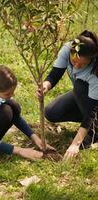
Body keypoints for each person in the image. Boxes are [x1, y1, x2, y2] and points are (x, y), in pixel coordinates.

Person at [38, 30, 98, 160]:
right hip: (82, 95)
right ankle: (90, 127)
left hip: (94, 105)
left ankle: (93, 130)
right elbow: (54, 74)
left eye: (82, 64)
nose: (76, 66)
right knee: (51, 112)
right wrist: (46, 86)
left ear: (92, 59)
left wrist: (75, 143)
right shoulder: (67, 49)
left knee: (80, 85)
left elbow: (92, 111)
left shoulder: (95, 71)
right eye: (73, 61)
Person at [0, 65, 53, 163]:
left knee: (12, 105)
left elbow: (16, 117)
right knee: (5, 112)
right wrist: (20, 151)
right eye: (8, 93)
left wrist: (35, 138)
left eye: (12, 92)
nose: (12, 95)